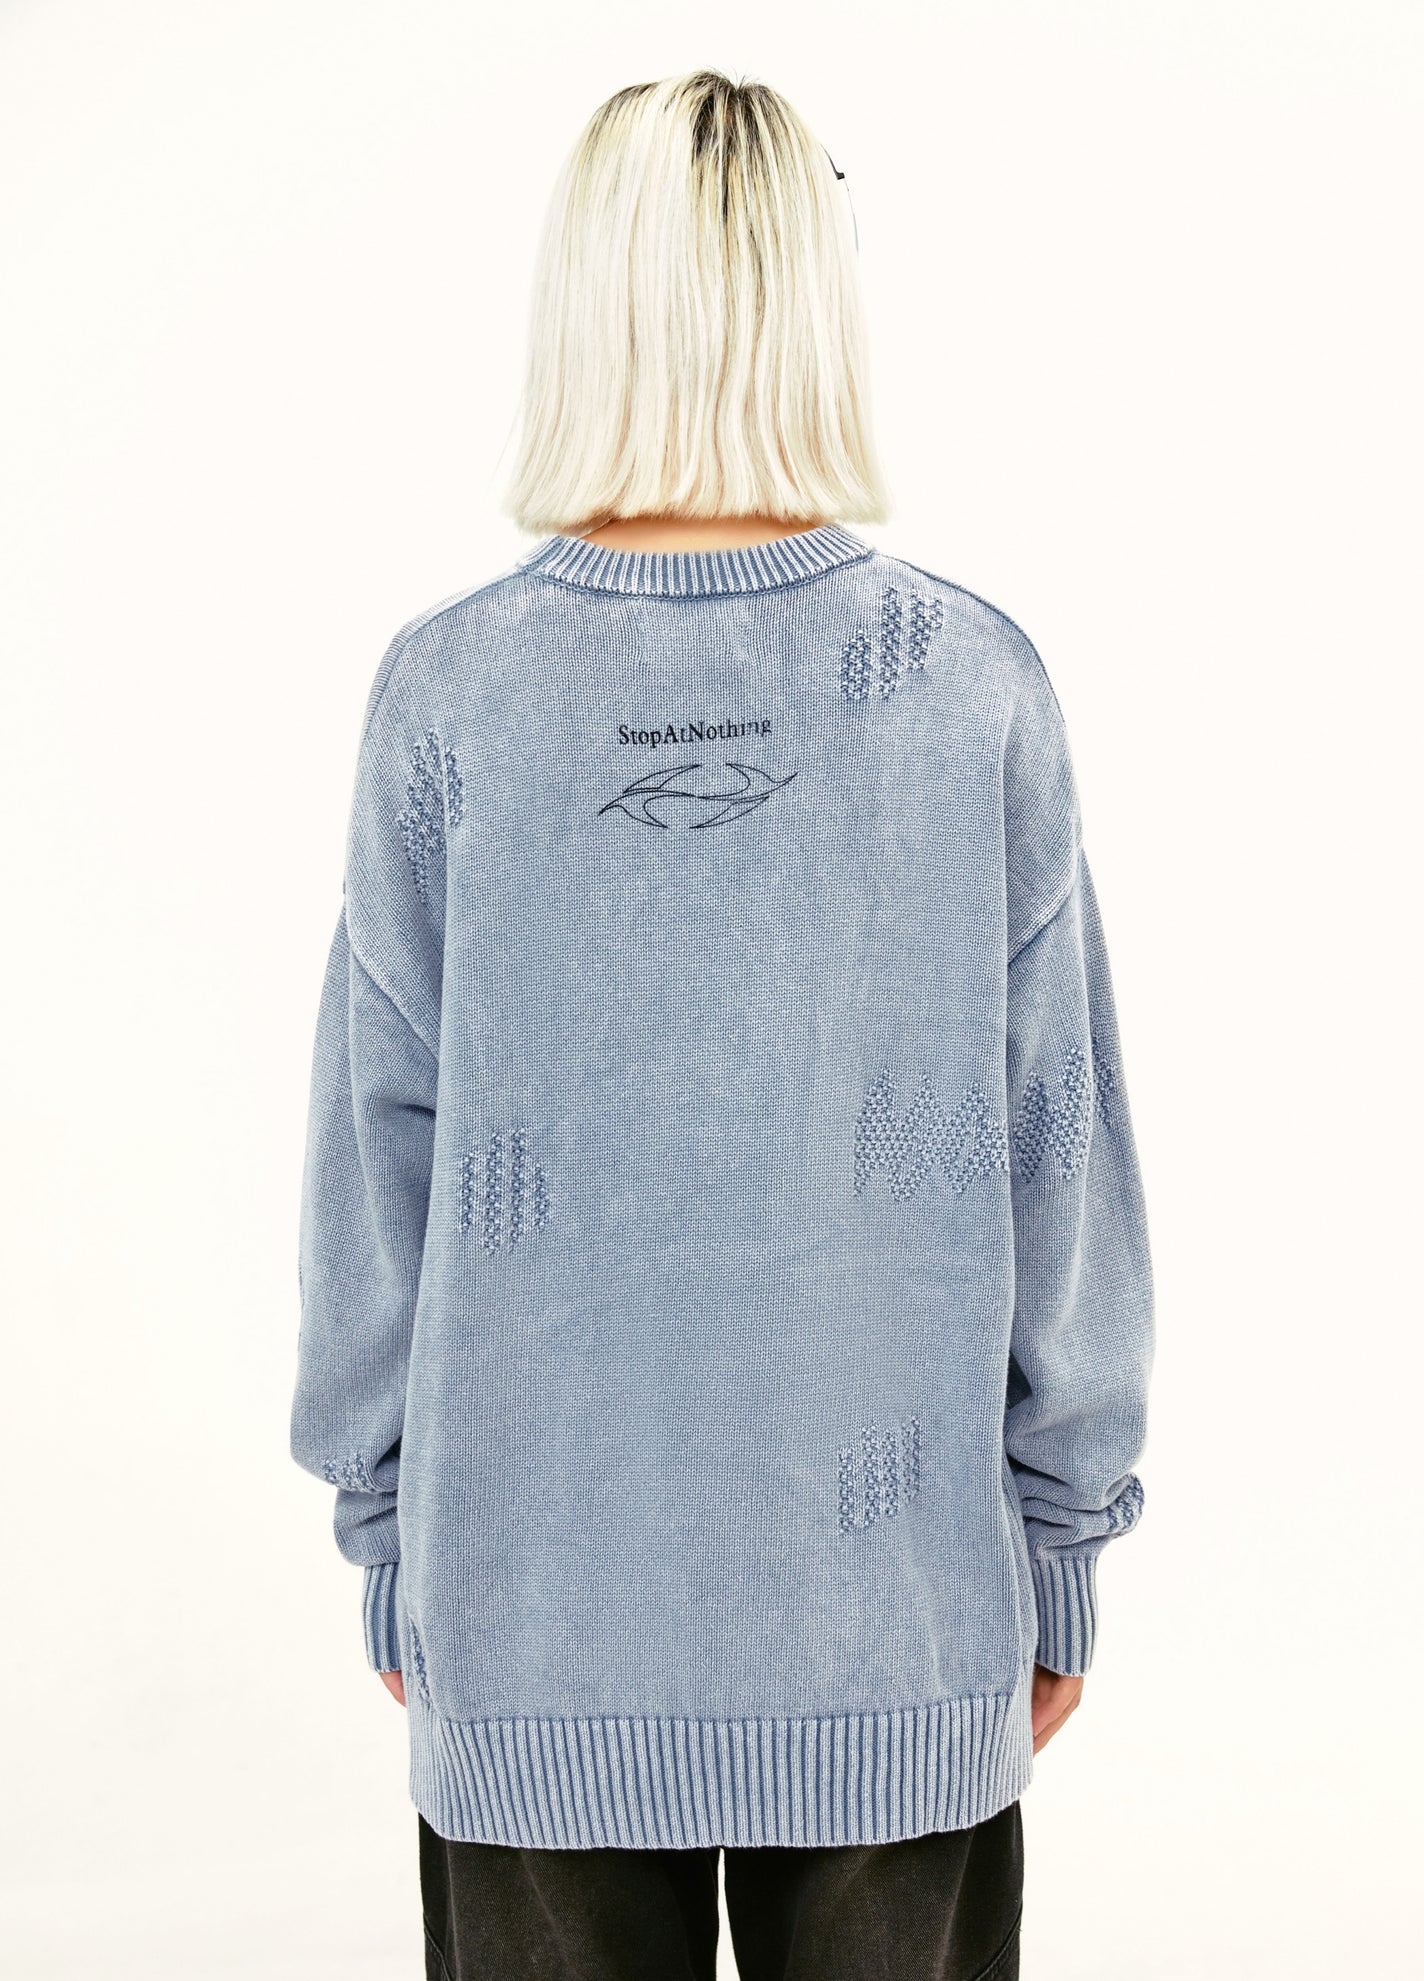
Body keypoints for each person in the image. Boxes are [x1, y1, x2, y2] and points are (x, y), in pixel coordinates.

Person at [290, 67, 1154, 1981]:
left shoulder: (454, 694)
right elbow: (1060, 1147)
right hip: (893, 1619)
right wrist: (1063, 1533)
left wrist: (390, 1527)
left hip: (535, 1618)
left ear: (579, 296)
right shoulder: (965, 682)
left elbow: (375, 1152)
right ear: (818, 300)